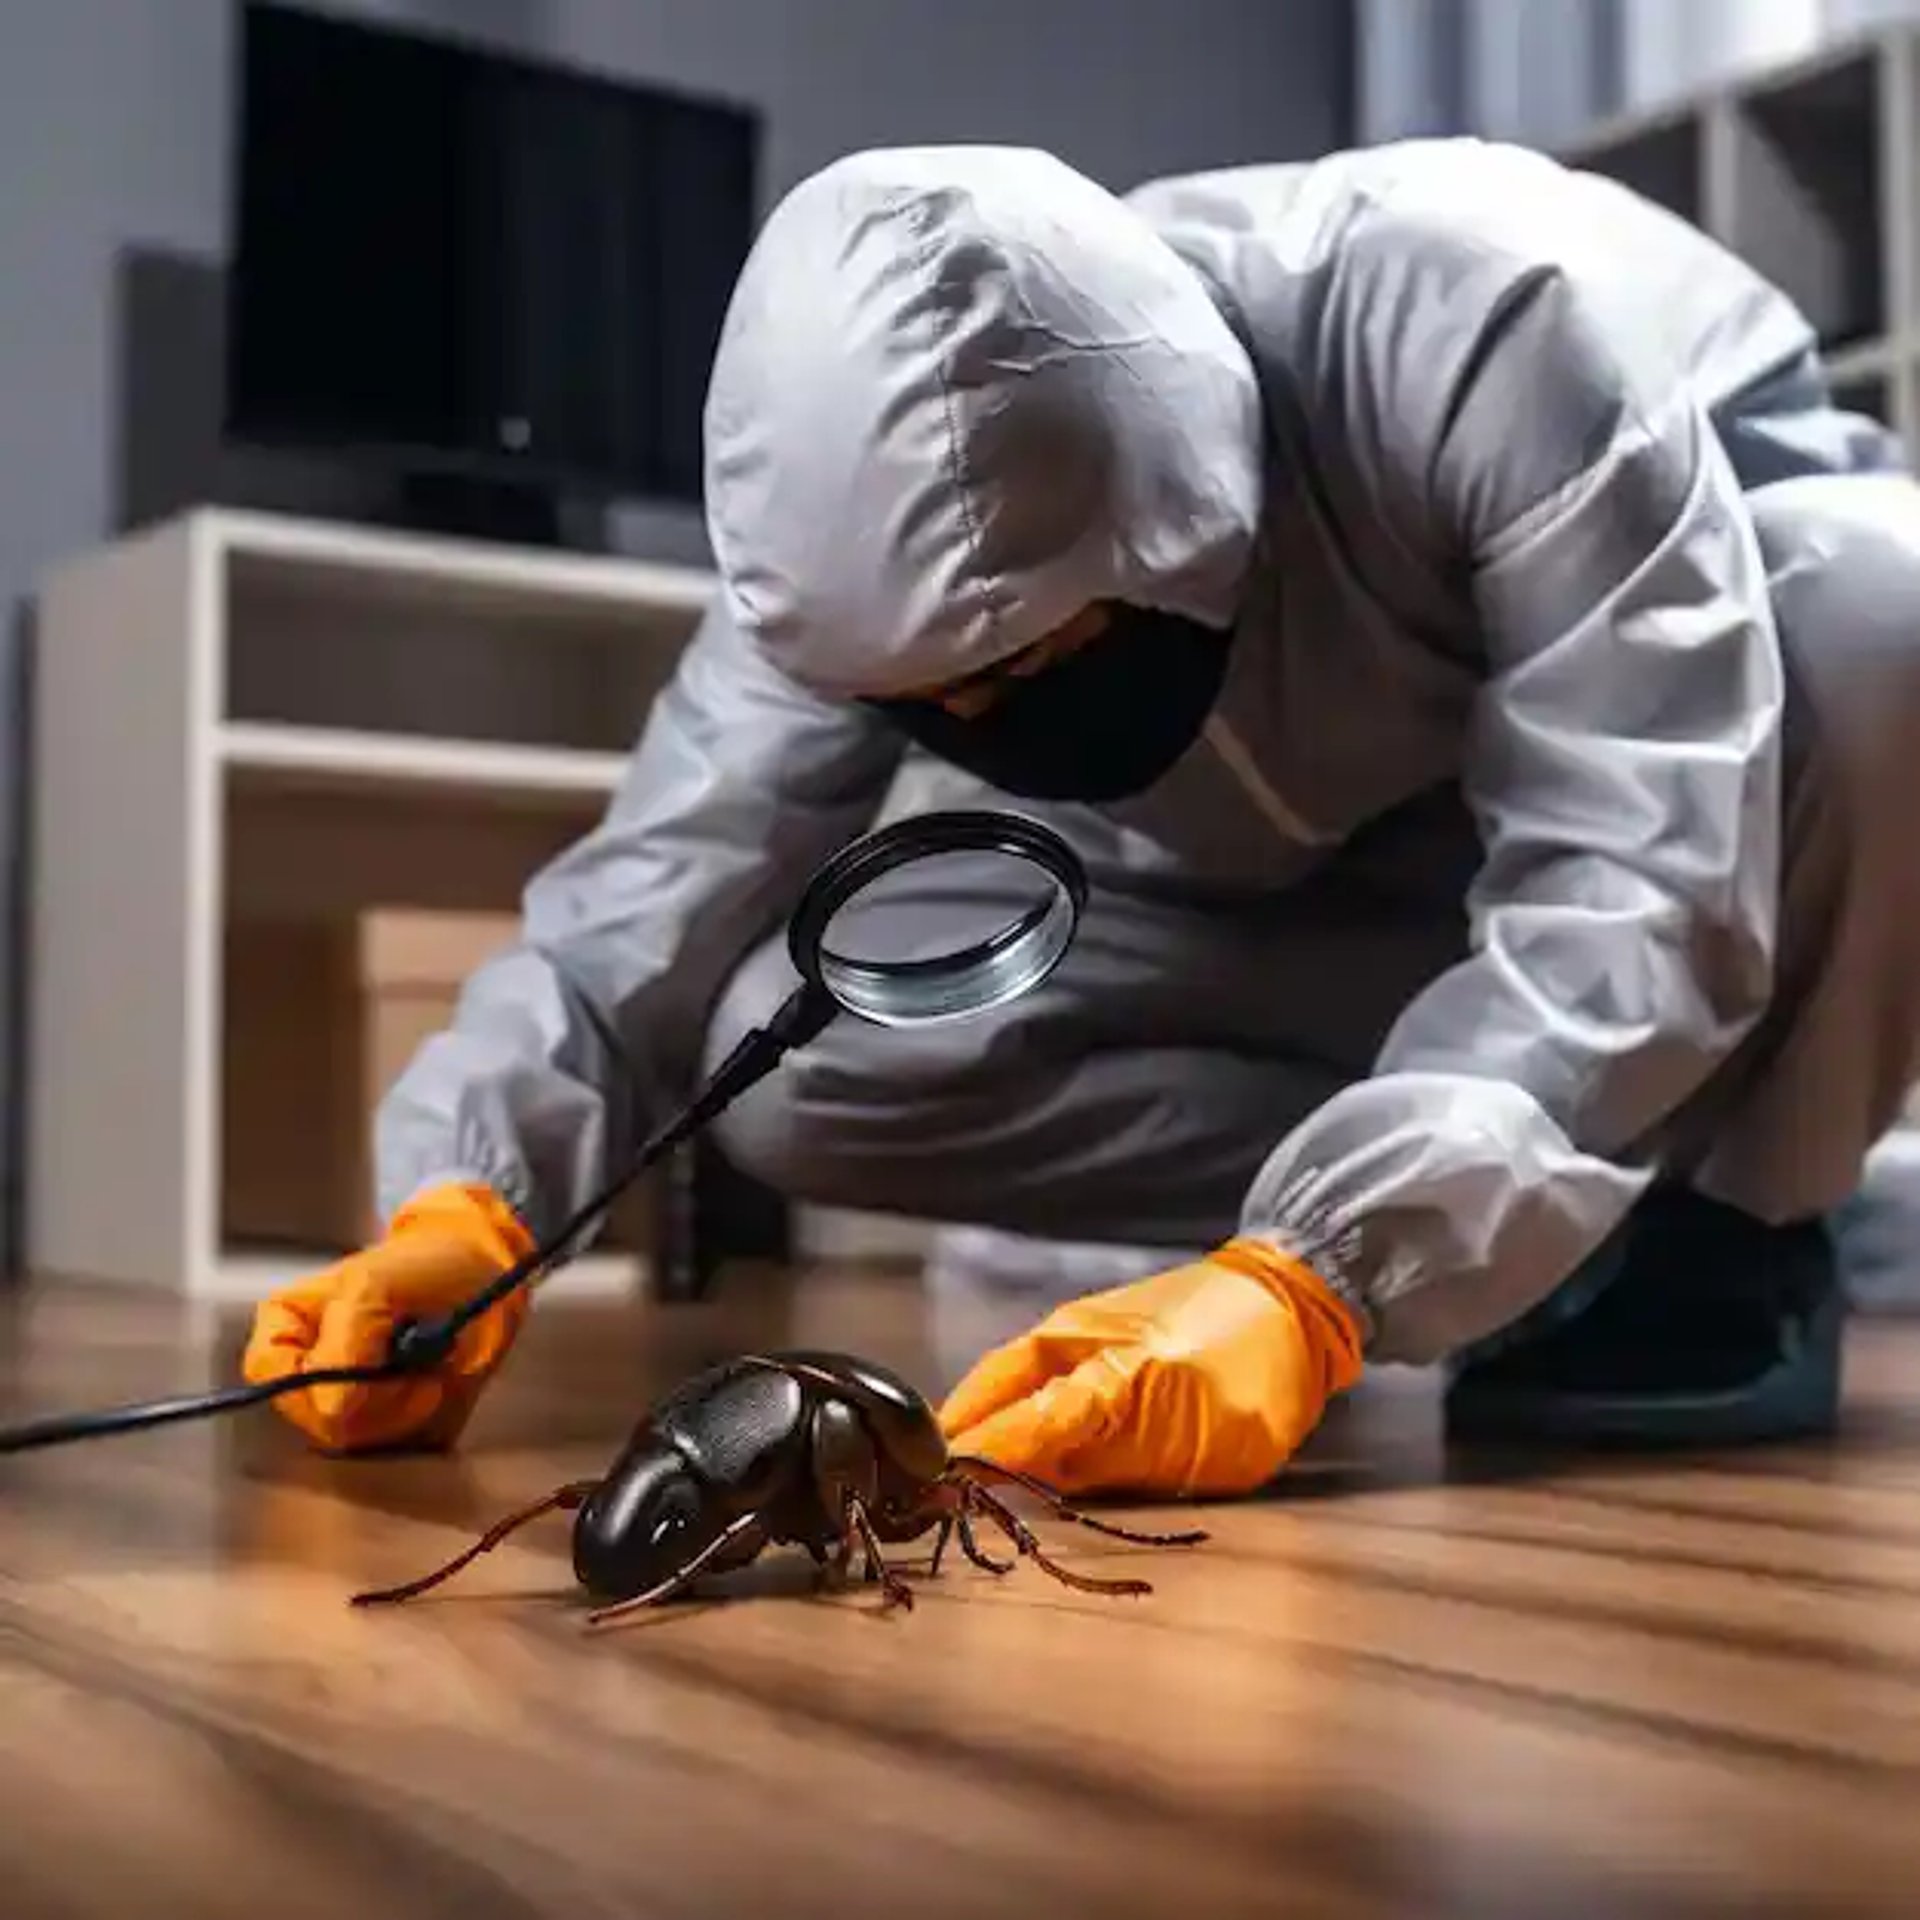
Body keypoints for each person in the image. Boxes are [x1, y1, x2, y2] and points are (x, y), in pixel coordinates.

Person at [243, 136, 1920, 1498]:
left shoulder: (1478, 328)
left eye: (1036, 662)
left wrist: (1326, 1276)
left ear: (1179, 503)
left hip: (1695, 848)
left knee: (1879, 607)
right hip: (1302, 915)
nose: (985, 728)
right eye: (928, 698)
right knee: (795, 1050)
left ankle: (1723, 1233)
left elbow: (1642, 867)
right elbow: (651, 904)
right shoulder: (843, 532)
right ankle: (1464, 1216)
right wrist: (467, 1207)